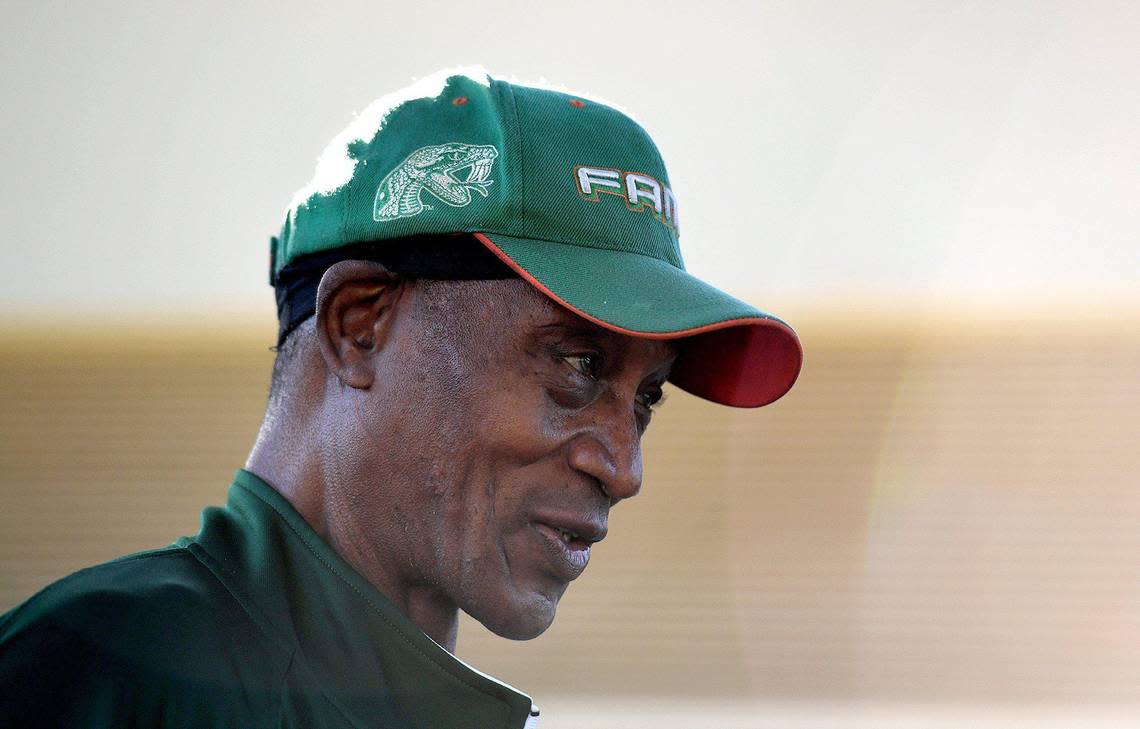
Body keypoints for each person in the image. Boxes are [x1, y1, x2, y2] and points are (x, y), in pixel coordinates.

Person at [0, 68, 802, 728]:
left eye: (646, 399)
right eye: (578, 364)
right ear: (360, 326)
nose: (623, 467)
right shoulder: (93, 676)